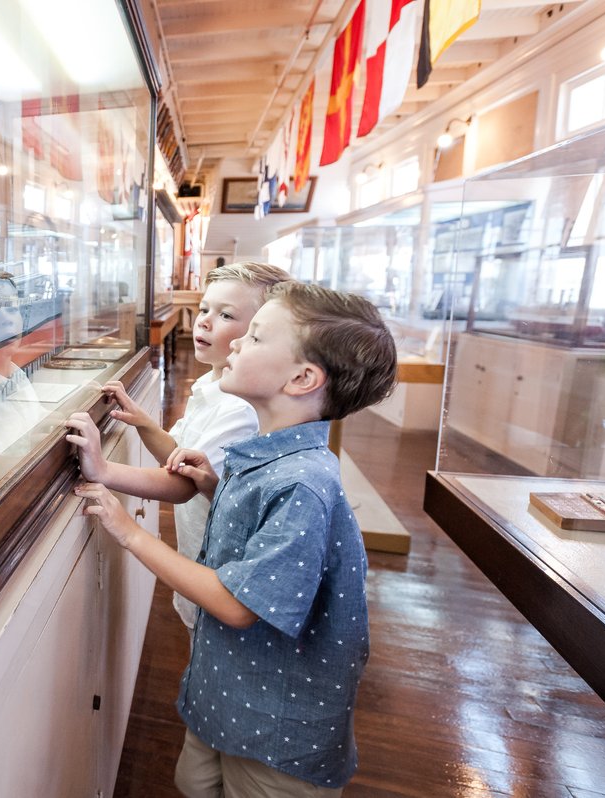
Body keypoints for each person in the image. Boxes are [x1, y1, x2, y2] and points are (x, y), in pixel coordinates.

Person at [70, 282, 398, 796]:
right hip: (229, 695)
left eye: (257, 337)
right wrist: (212, 484)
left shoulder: (302, 482)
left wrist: (129, 531)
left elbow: (238, 604)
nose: (239, 341)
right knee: (194, 781)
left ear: (302, 378)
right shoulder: (270, 455)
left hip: (276, 729)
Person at [66, 261, 292, 634]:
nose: (204, 321)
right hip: (200, 551)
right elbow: (181, 456)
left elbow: (183, 486)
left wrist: (103, 471)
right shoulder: (212, 383)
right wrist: (144, 423)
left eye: (226, 315)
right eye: (204, 309)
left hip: (218, 565)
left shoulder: (239, 407)